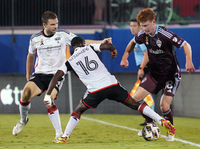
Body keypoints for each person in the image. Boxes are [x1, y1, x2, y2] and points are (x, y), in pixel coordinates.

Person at [44, 36, 175, 143]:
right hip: (112, 84)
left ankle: (64, 136)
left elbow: (57, 76)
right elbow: (106, 46)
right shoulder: (89, 47)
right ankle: (161, 120)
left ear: (73, 48)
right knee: (135, 104)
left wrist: (49, 94)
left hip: (95, 90)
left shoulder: (69, 61)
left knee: (78, 110)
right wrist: (112, 50)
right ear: (83, 43)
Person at [12, 11, 111, 140]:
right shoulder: (35, 38)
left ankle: (59, 134)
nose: (55, 27)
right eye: (52, 24)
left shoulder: (62, 35)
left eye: (56, 23)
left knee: (49, 99)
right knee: (25, 94)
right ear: (44, 25)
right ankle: (23, 120)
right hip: (40, 74)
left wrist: (101, 41)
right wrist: (28, 75)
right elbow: (30, 56)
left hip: (57, 74)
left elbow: (81, 41)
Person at [120, 8, 195, 141]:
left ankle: (170, 132)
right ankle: (151, 123)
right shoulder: (143, 35)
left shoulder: (165, 34)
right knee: (134, 99)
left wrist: (189, 61)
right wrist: (125, 57)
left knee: (164, 106)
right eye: (142, 26)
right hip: (154, 74)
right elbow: (132, 42)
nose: (144, 29)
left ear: (153, 22)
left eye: (146, 25)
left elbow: (185, 44)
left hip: (170, 75)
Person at [120, 19, 155, 128]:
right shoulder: (138, 38)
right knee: (144, 93)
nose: (132, 28)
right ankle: (150, 117)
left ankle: (151, 118)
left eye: (134, 26)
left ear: (140, 27)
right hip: (143, 67)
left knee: (145, 93)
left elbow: (147, 55)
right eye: (131, 26)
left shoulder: (141, 39)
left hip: (146, 66)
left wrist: (142, 68)